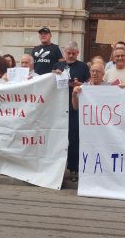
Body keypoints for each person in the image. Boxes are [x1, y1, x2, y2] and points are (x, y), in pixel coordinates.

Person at [53, 41, 90, 182]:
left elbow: (89, 84)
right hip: (59, 107)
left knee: (74, 138)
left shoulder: (83, 66)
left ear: (78, 53)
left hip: (75, 106)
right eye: (68, 53)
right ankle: (58, 169)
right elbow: (50, 84)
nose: (71, 55)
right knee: (59, 138)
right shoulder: (58, 66)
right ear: (65, 52)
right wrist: (53, 74)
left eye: (73, 53)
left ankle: (74, 168)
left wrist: (80, 85)